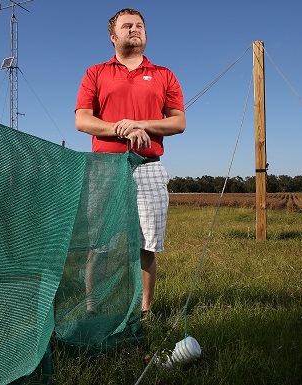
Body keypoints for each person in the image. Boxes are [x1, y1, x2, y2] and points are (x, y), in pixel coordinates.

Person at [75, 8, 186, 316]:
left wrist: (141, 124)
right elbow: (82, 120)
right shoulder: (96, 72)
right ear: (114, 36)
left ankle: (145, 311)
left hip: (149, 168)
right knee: (99, 244)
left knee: (147, 243)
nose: (134, 29)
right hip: (105, 170)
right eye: (127, 26)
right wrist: (119, 127)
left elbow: (179, 122)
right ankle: (92, 309)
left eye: (139, 26)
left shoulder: (164, 74)